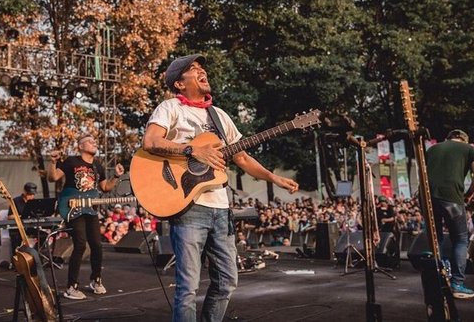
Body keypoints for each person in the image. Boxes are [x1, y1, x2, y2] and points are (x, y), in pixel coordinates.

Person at [142, 54, 299, 321]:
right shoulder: (170, 109)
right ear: (179, 84)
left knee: (227, 281)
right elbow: (151, 141)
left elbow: (241, 157)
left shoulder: (219, 116)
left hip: (221, 208)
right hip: (189, 208)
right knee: (188, 288)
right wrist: (193, 150)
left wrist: (274, 178)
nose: (202, 71)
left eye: (202, 67)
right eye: (193, 69)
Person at [47, 133, 125, 300]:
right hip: (73, 207)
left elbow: (105, 187)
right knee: (80, 244)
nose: (94, 143)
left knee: (97, 245)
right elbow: (53, 177)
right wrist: (53, 162)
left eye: (94, 141)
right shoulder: (71, 161)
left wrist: (117, 176)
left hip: (90, 209)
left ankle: (96, 280)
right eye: (90, 142)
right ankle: (71, 287)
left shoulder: (98, 166)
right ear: (81, 146)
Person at [426, 129, 474, 299]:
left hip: (427, 197)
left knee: (435, 238)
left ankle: (437, 278)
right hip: (451, 197)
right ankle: (457, 284)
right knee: (460, 239)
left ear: (448, 138)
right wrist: (468, 195)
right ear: (464, 140)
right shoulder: (469, 149)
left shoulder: (433, 148)